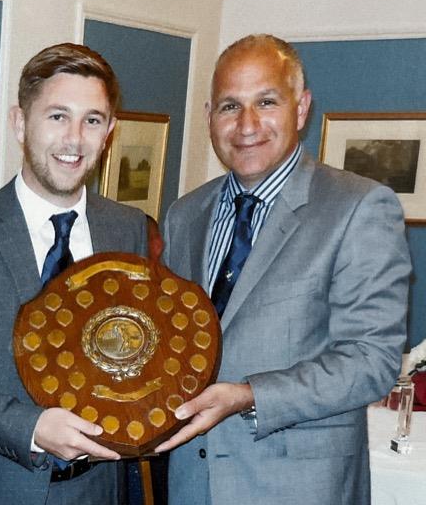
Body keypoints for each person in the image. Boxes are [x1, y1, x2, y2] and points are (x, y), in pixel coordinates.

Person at [155, 34, 411, 505]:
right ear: (210, 116)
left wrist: (250, 395)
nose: (247, 125)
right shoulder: (184, 215)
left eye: (266, 101)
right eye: (230, 106)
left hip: (298, 489)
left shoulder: (359, 207)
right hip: (193, 481)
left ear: (301, 107)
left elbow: (371, 361)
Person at [0, 43, 147, 504]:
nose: (74, 139)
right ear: (20, 122)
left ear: (110, 132)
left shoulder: (130, 228)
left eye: (92, 120)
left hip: (97, 492)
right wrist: (33, 428)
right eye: (57, 116)